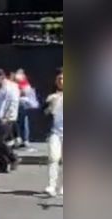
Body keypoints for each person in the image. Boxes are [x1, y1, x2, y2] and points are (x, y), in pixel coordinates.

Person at [0, 68, 21, 173]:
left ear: (3, 76)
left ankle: (13, 158)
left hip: (6, 118)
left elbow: (13, 102)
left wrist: (7, 116)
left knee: (1, 142)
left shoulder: (12, 87)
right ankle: (2, 165)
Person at [45, 68, 64, 197]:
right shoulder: (52, 97)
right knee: (53, 157)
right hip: (55, 132)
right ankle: (52, 185)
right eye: (59, 79)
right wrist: (50, 105)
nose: (62, 81)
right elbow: (44, 113)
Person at [14, 68, 40, 148]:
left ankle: (24, 139)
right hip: (16, 105)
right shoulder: (14, 83)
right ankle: (19, 139)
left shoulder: (25, 84)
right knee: (17, 122)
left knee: (23, 122)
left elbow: (26, 92)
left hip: (23, 105)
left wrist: (21, 92)